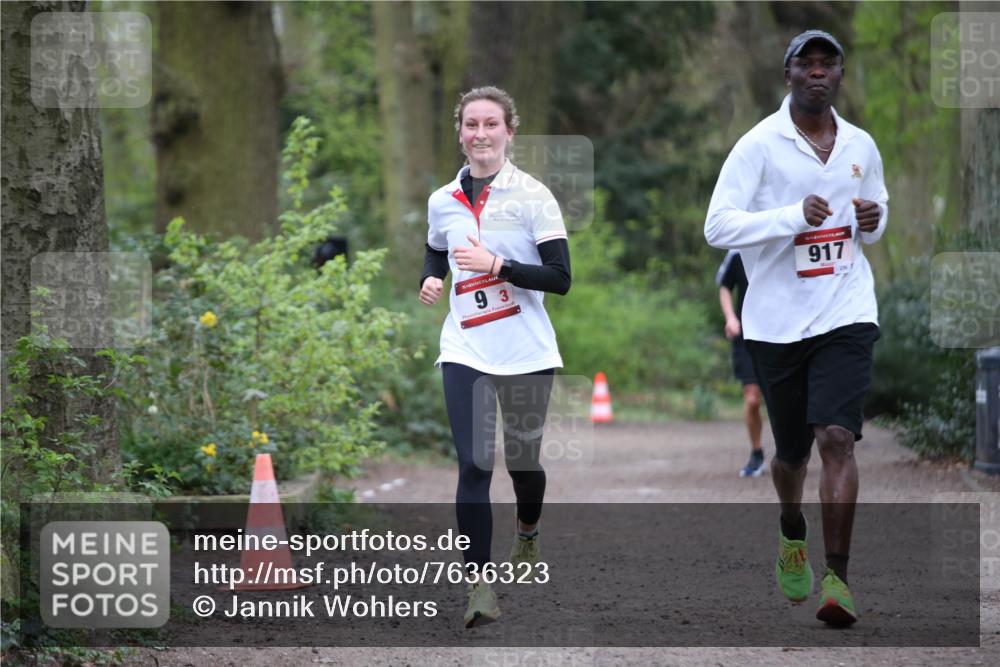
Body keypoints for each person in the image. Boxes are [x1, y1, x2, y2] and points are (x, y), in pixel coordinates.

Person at [704, 30, 888, 627]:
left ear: (839, 74)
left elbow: (875, 212)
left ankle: (838, 580)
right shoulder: (757, 145)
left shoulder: (860, 143)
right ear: (787, 74)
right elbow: (717, 226)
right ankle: (791, 526)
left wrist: (873, 218)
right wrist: (789, 217)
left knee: (837, 436)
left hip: (845, 309)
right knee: (791, 454)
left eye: (827, 63)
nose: (817, 72)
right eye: (805, 64)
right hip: (777, 322)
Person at [419, 86, 571, 628]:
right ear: (459, 133)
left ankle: (527, 533)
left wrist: (497, 264)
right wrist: (432, 277)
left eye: (491, 124)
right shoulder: (443, 199)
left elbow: (560, 278)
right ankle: (479, 587)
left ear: (510, 132)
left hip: (526, 349)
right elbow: (437, 244)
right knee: (474, 463)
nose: (480, 134)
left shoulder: (534, 196)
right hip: (465, 348)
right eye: (471, 124)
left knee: (523, 463)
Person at [715, 250, 765, 477]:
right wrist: (730, 318)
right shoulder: (738, 250)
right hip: (747, 335)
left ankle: (792, 455)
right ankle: (757, 452)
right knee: (752, 398)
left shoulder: (786, 239)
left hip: (784, 332)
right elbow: (725, 286)